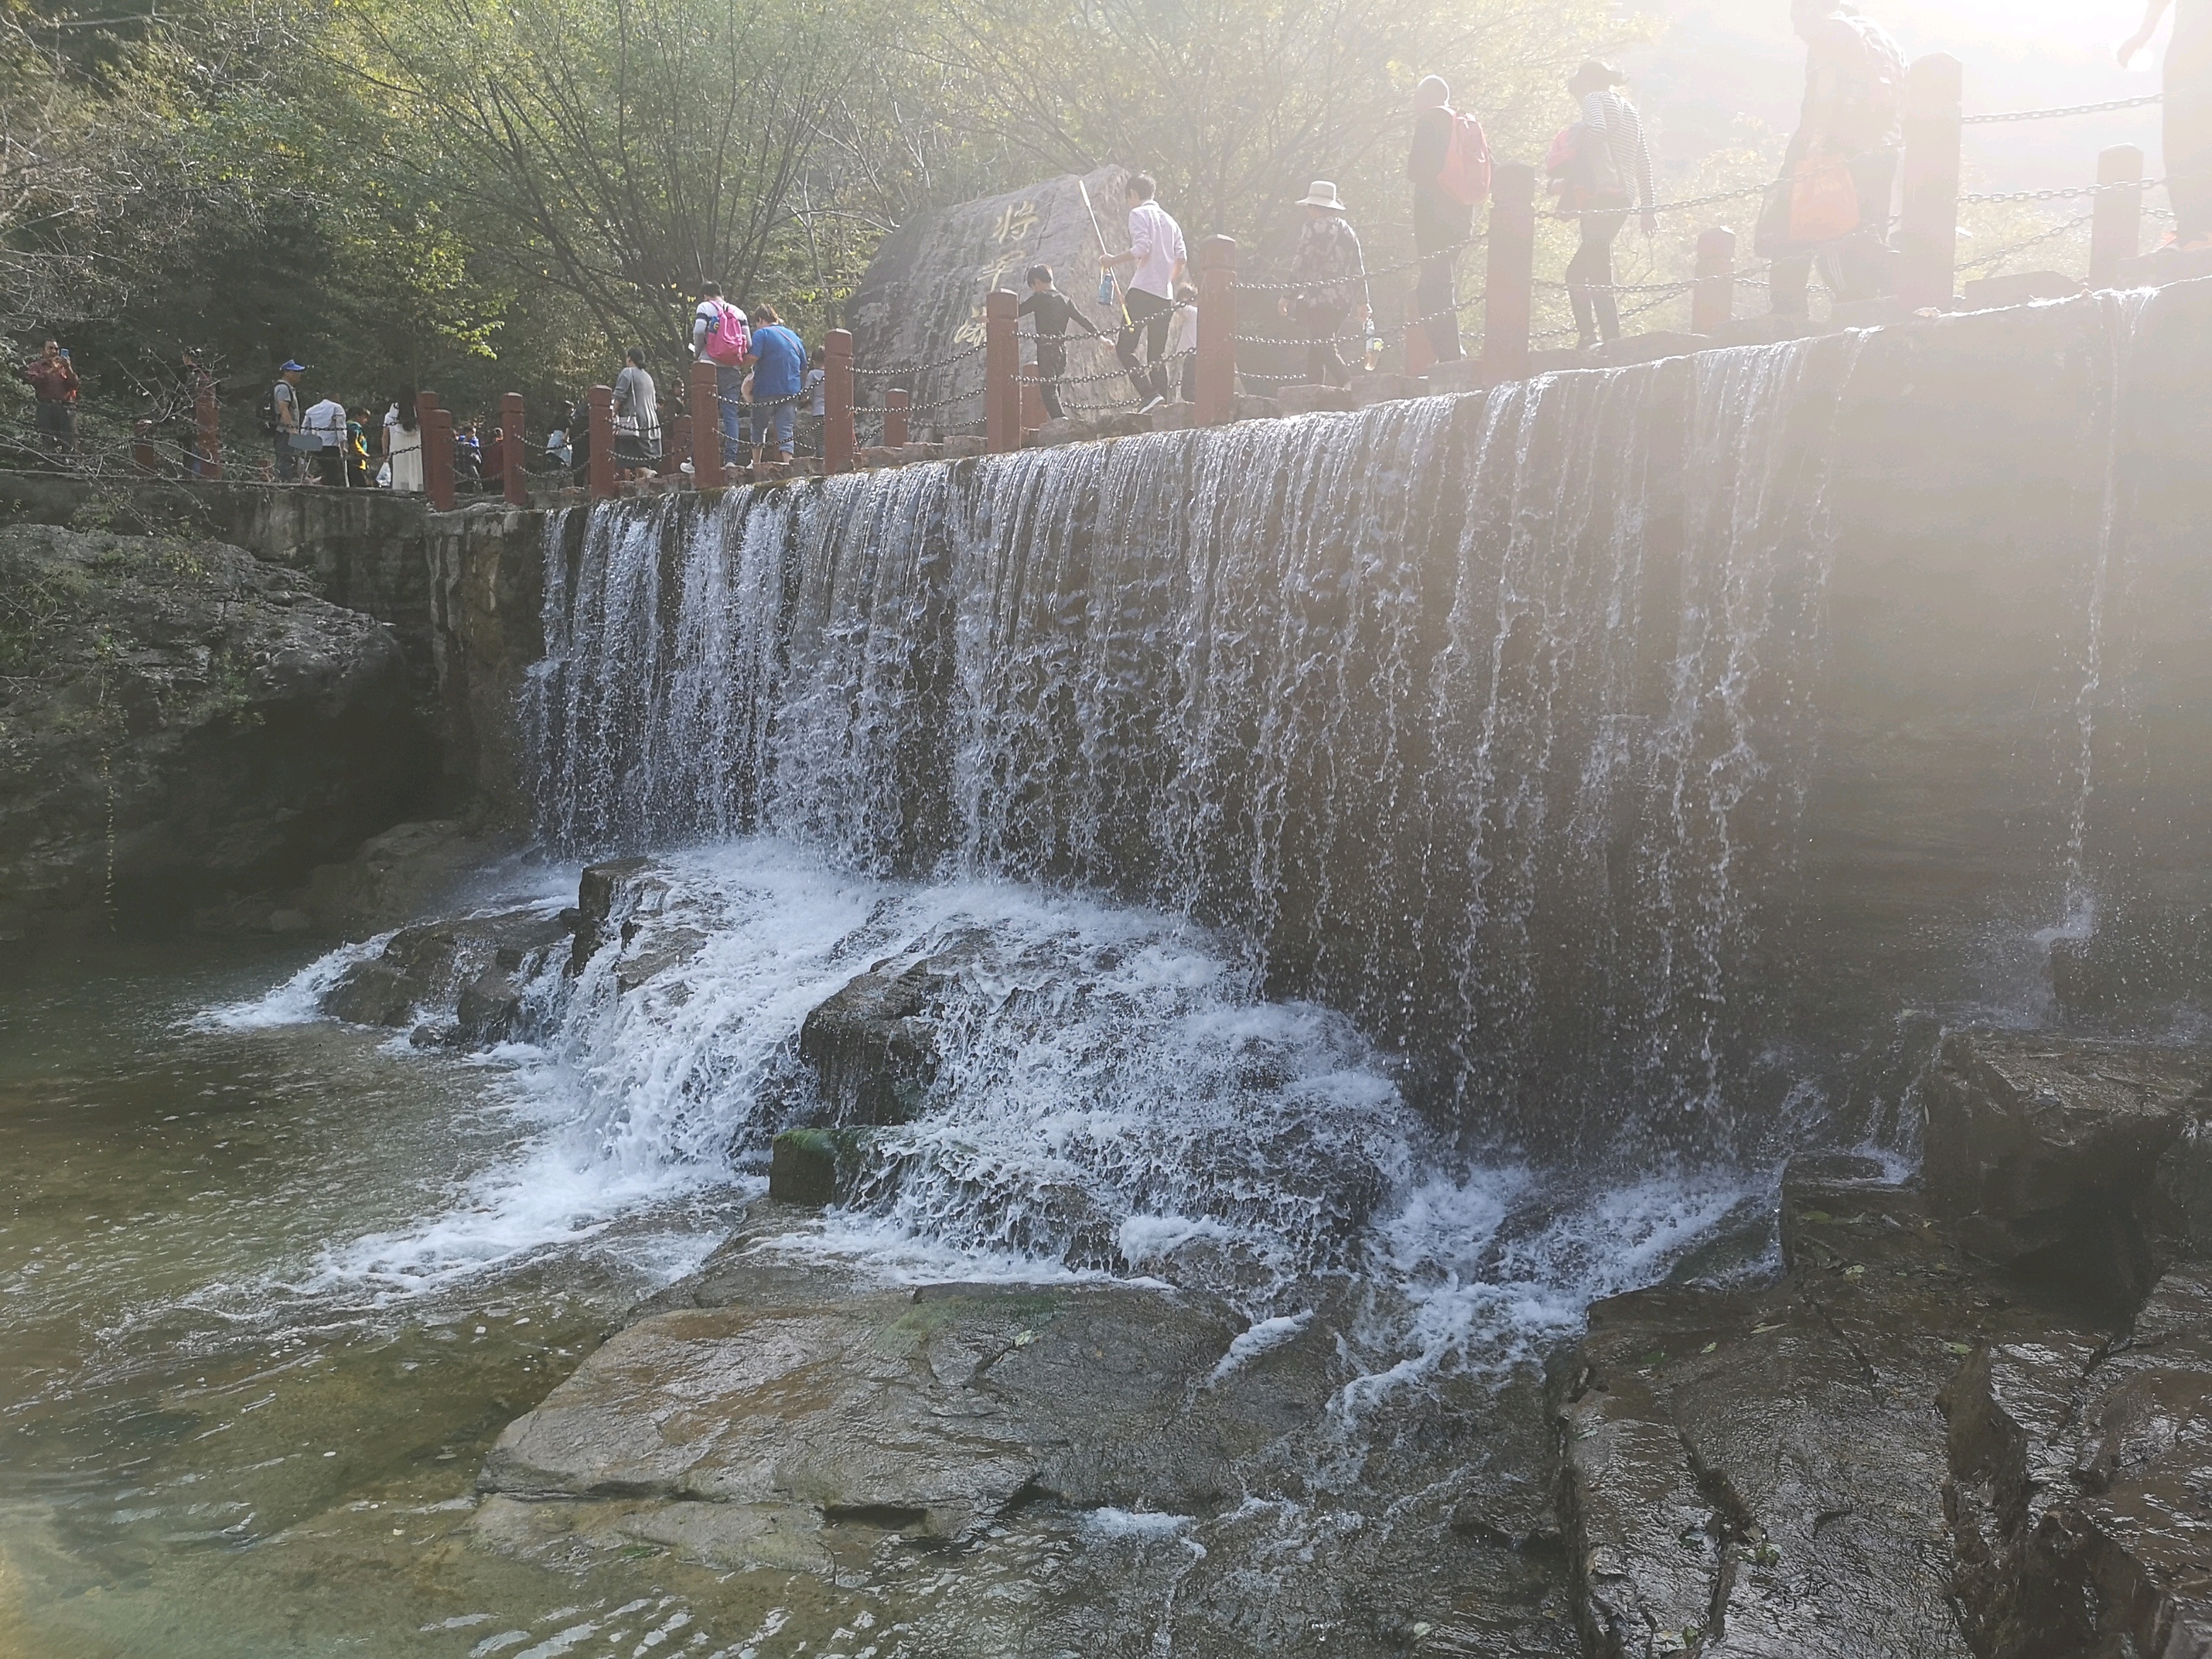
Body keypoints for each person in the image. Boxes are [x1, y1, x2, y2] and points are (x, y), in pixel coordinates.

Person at [1768, 1, 1906, 316]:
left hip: (1836, 148)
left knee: (1797, 229)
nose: (1795, 30)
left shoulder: (1829, 31)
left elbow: (1825, 91)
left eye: (1797, 19)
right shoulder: (1884, 38)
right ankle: (1862, 303)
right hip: (1883, 152)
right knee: (1863, 230)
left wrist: (1814, 145)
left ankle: (1787, 314)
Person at [1559, 63, 1656, 350]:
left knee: (1580, 272)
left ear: (1585, 82)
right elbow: (1643, 161)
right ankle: (1609, 339)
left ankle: (1594, 338)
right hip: (1624, 196)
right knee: (1596, 266)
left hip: (1600, 193)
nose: (1579, 99)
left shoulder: (1594, 99)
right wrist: (1647, 208)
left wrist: (1575, 147)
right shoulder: (1630, 110)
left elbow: (1598, 130)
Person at [2123, 0, 2212, 250]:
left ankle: (2198, 230)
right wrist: (2144, 32)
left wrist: (2144, 32)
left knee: (2188, 131)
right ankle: (2194, 229)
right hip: (2190, 39)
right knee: (2181, 132)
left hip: (2192, 39)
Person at [1099, 173, 1187, 411]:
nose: (1129, 203)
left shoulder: (1138, 213)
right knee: (1156, 354)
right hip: (1164, 296)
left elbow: (1142, 248)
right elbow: (1182, 258)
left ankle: (1148, 394)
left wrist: (1111, 260)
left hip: (1141, 293)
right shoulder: (1171, 221)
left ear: (1134, 194)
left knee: (1125, 347)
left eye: (1129, 198)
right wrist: (1165, 279)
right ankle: (1164, 404)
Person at [1407, 76, 1479, 362]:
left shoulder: (1430, 121)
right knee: (1440, 283)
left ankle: (1450, 355)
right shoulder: (1463, 123)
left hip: (1432, 217)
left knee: (1430, 288)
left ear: (1428, 97)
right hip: (1463, 215)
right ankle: (1451, 353)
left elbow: (1415, 170)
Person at [1283, 181, 1371, 387]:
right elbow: (1357, 269)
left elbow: (1301, 263)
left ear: (1314, 207)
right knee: (1317, 348)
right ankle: (1315, 393)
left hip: (1317, 300)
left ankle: (1350, 386)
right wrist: (1362, 303)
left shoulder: (1312, 228)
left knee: (1325, 347)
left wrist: (1287, 295)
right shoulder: (1348, 231)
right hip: (1342, 301)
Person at [1017, 263, 1105, 420]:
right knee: (1055, 385)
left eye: (1033, 287)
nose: (1034, 290)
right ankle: (1059, 419)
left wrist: (989, 317)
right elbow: (1083, 320)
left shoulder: (1039, 298)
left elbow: (1018, 311)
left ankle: (1060, 420)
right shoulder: (1065, 300)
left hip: (1046, 348)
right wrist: (1102, 338)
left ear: (1037, 282)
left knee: (1047, 388)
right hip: (1061, 351)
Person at [692, 281, 749, 465]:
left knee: (706, 413)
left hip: (708, 367)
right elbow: (748, 342)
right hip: (732, 369)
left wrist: (698, 351)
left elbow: (699, 330)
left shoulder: (705, 307)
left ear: (706, 295)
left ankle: (701, 461)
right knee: (731, 415)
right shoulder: (739, 313)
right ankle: (730, 460)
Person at [744, 303, 805, 467]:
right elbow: (803, 365)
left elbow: (753, 357)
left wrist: (738, 361)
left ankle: (756, 463)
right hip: (791, 389)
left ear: (760, 320)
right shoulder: (794, 336)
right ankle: (788, 463)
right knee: (786, 428)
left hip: (766, 388)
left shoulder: (761, 334)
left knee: (759, 426)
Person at [21, 339, 80, 456]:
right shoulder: (36, 366)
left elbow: (75, 384)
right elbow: (34, 381)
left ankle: (71, 468)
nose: (54, 351)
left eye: (56, 349)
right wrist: (52, 370)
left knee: (70, 441)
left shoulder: (64, 367)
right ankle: (50, 469)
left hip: (66, 408)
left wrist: (68, 368)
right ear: (43, 351)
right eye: (50, 348)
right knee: (48, 440)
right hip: (46, 407)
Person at [611, 349, 661, 480]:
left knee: (629, 455)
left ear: (629, 359)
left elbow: (619, 396)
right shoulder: (648, 377)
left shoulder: (628, 372)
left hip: (634, 422)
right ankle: (642, 480)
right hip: (652, 422)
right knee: (643, 456)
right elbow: (654, 403)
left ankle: (646, 472)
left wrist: (613, 413)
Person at [266, 361, 306, 480]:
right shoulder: (283, 388)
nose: (299, 375)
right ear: (286, 372)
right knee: (286, 458)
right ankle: (285, 483)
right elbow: (284, 410)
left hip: (286, 431)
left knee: (290, 458)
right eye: (295, 372)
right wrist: (291, 429)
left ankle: (289, 480)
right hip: (284, 431)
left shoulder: (288, 388)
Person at [301, 389, 348, 486]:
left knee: (324, 469)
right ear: (335, 397)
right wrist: (343, 445)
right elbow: (341, 429)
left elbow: (304, 431)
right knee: (336, 474)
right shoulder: (337, 408)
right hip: (331, 446)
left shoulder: (311, 410)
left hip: (316, 445)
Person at [384, 395, 424, 493]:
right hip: (416, 440)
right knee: (415, 468)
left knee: (401, 471)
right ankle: (417, 491)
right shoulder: (418, 409)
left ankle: (401, 492)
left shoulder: (393, 410)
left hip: (399, 441)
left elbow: (385, 435)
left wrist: (385, 450)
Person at [802, 347, 826, 456]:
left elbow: (806, 393)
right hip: (832, 413)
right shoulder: (832, 373)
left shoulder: (812, 374)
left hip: (818, 412)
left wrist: (805, 402)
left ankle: (822, 465)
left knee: (820, 442)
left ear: (814, 361)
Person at [567, 394, 592, 487]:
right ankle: (580, 484)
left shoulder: (580, 408)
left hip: (577, 434)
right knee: (581, 460)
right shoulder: (587, 409)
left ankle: (578, 483)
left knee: (578, 460)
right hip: (582, 434)